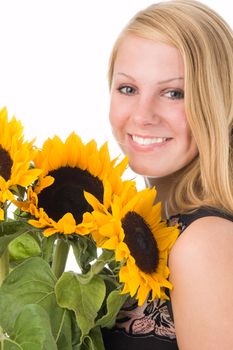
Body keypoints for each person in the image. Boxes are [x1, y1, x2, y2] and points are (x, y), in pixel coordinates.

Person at [101, 0, 233, 349]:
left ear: (216, 102)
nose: (143, 116)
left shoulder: (204, 242)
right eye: (128, 89)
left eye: (174, 93)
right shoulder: (153, 227)